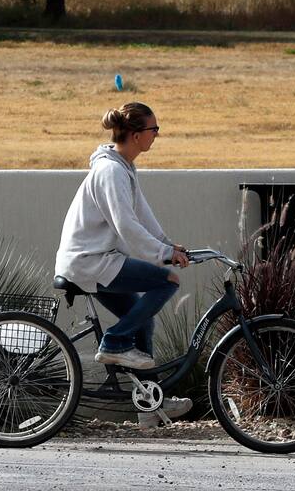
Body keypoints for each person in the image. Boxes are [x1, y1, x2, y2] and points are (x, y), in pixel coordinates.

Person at [54, 102, 192, 425]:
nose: (156, 135)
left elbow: (143, 216)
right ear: (134, 134)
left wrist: (169, 245)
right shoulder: (111, 171)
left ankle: (149, 408)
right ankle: (115, 341)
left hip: (97, 259)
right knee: (167, 281)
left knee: (142, 320)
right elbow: (126, 227)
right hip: (90, 261)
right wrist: (163, 256)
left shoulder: (124, 167)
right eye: (153, 130)